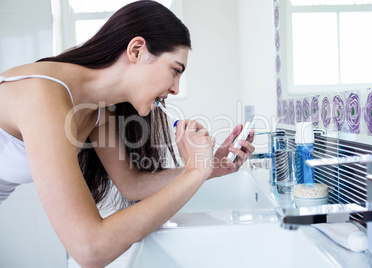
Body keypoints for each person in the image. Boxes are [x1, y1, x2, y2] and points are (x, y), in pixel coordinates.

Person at [0, 0, 255, 266]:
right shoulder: (44, 97)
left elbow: (132, 185)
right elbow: (90, 248)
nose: (176, 88)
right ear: (136, 50)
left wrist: (209, 166)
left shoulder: (99, 111)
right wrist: (193, 173)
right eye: (175, 70)